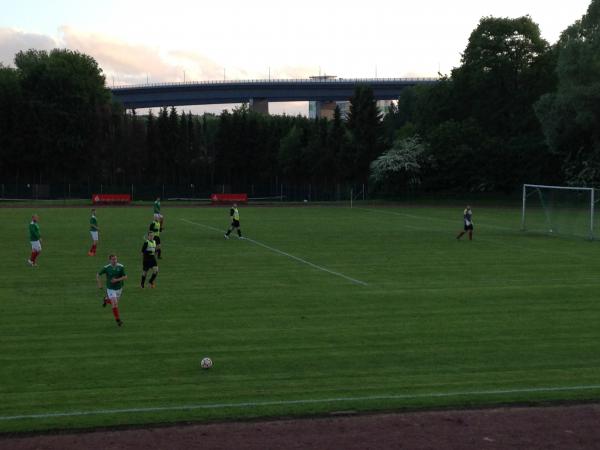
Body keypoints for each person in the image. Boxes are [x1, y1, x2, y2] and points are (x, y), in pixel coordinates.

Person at [96, 254, 128, 327]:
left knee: (115, 303)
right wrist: (99, 284)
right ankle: (118, 320)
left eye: (116, 259)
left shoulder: (121, 267)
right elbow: (97, 275)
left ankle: (106, 300)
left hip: (119, 288)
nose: (115, 261)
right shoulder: (106, 268)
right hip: (110, 288)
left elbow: (125, 277)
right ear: (110, 260)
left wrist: (117, 280)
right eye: (113, 259)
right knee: (115, 303)